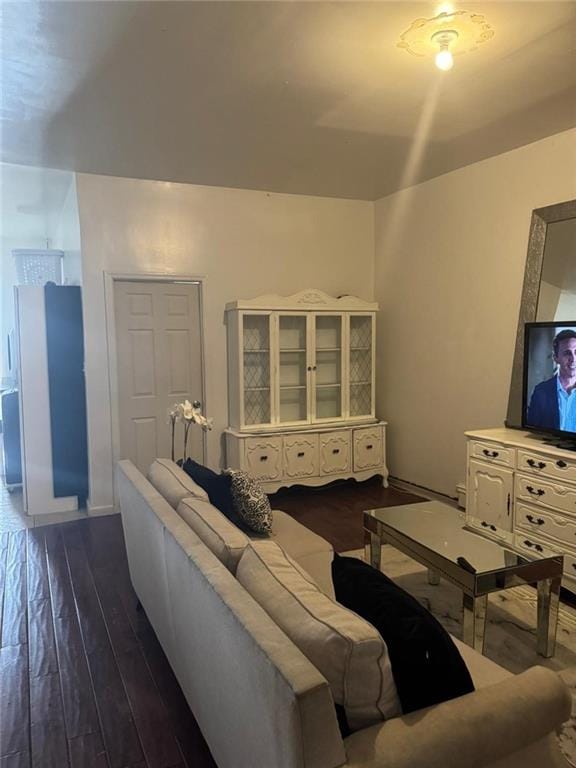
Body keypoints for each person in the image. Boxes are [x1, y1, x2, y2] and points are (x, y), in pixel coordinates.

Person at [527, 328, 576, 431]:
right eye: (567, 353)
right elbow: (532, 433)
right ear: (555, 358)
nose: (573, 359)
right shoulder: (540, 392)